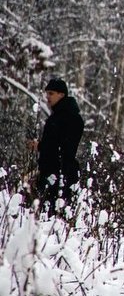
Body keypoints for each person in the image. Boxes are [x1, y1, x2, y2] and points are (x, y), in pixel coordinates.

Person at [27, 78, 84, 212]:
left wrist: (40, 146)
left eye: (51, 93)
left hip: (58, 173)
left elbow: (59, 147)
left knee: (51, 217)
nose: (47, 97)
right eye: (47, 93)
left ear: (61, 94)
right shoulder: (66, 116)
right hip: (61, 172)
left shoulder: (64, 117)